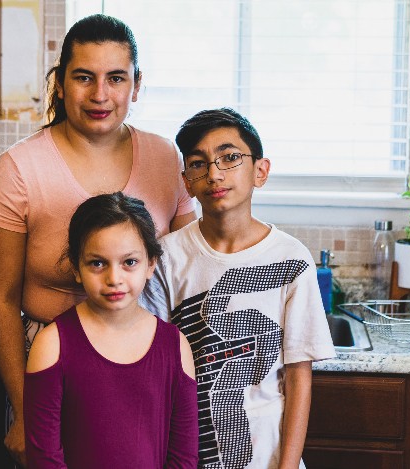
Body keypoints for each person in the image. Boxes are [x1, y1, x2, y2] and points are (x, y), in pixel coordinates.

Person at [0, 13, 196, 466]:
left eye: (116, 78)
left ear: (136, 86)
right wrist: (22, 408)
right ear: (59, 83)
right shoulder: (19, 169)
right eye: (84, 77)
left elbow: (188, 265)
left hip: (142, 370)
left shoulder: (163, 157)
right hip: (47, 371)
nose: (100, 95)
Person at [141, 108, 336, 469]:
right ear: (187, 182)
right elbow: (156, 369)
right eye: (199, 163)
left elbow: (298, 378)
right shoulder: (167, 256)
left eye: (230, 158)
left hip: (270, 457)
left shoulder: (293, 259)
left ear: (260, 171)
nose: (214, 173)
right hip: (187, 452)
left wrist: (288, 466)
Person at [23, 192, 199, 468]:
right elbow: (44, 457)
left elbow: (184, 456)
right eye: (97, 263)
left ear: (151, 264)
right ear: (76, 268)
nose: (114, 278)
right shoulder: (51, 345)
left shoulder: (175, 346)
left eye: (129, 262)